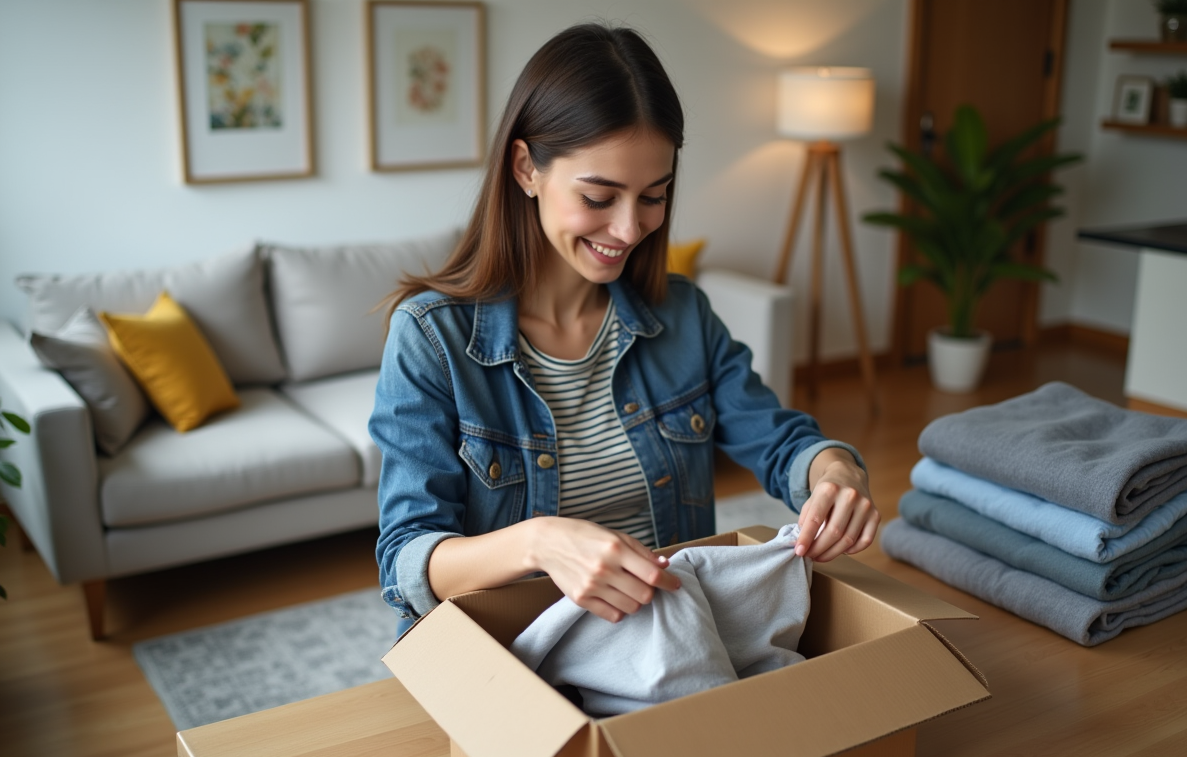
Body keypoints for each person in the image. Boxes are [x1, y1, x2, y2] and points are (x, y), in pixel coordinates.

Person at [370, 23, 879, 635]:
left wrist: (835, 473)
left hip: (668, 636)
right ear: (527, 167)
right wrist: (538, 543)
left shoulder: (682, 315)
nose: (630, 229)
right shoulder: (431, 338)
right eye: (599, 197)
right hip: (515, 648)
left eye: (654, 196)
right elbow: (406, 562)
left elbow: (779, 442)